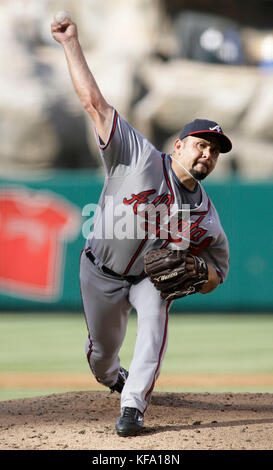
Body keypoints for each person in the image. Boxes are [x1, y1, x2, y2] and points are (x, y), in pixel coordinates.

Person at [51, 17, 232, 437]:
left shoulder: (206, 218)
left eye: (215, 151)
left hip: (149, 278)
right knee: (100, 357)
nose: (207, 153)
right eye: (201, 144)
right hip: (99, 270)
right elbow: (94, 104)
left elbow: (217, 272)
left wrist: (201, 274)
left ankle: (133, 407)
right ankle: (114, 376)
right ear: (179, 146)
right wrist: (71, 42)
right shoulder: (138, 157)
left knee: (156, 312)